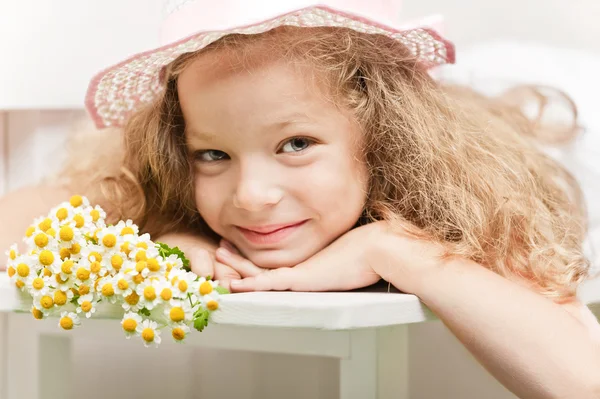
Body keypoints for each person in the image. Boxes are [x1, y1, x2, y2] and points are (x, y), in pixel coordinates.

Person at [1, 1, 599, 397]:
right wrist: (161, 237)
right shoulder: (177, 178)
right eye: (213, 154)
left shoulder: (467, 191)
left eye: (296, 144)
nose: (253, 196)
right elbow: (18, 219)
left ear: (384, 140)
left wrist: (394, 248)